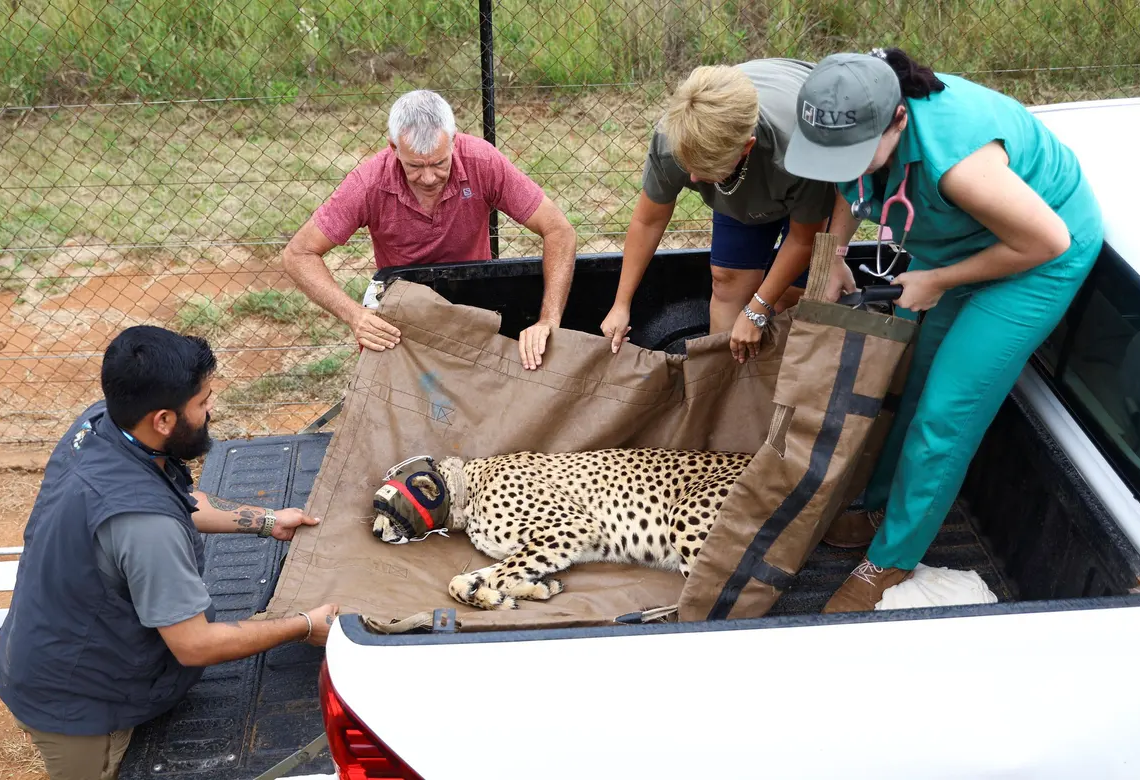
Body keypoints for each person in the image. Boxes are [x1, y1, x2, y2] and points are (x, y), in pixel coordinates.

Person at [783, 48, 1104, 612]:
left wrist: (940, 281)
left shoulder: (959, 162)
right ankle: (882, 501)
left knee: (944, 413)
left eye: (857, 153)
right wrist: (831, 253)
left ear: (900, 119)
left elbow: (1045, 241)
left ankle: (892, 560)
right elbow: (849, 183)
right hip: (960, 247)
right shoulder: (853, 113)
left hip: (1036, 256)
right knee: (912, 380)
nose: (844, 165)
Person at [0, 325, 339, 779]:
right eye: (201, 403)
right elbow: (194, 645)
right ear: (163, 420)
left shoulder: (102, 424)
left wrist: (266, 520)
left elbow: (171, 498)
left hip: (59, 639)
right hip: (77, 702)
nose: (210, 409)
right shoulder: (145, 527)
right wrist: (304, 625)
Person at [283, 89, 577, 371]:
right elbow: (299, 254)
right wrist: (355, 315)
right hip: (404, 312)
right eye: (414, 166)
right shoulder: (367, 183)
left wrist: (549, 320)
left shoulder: (483, 162)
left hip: (474, 302)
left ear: (453, 141)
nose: (428, 177)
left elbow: (559, 230)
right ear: (393, 148)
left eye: (438, 163)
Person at [599, 59, 838, 363]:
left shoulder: (799, 148)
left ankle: (774, 385)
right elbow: (648, 221)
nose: (694, 181)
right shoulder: (675, 137)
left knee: (792, 293)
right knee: (727, 280)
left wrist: (757, 310)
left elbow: (804, 240)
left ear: (746, 148)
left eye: (705, 170)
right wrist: (621, 304)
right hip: (741, 181)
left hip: (805, 170)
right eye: (690, 168)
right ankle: (720, 388)